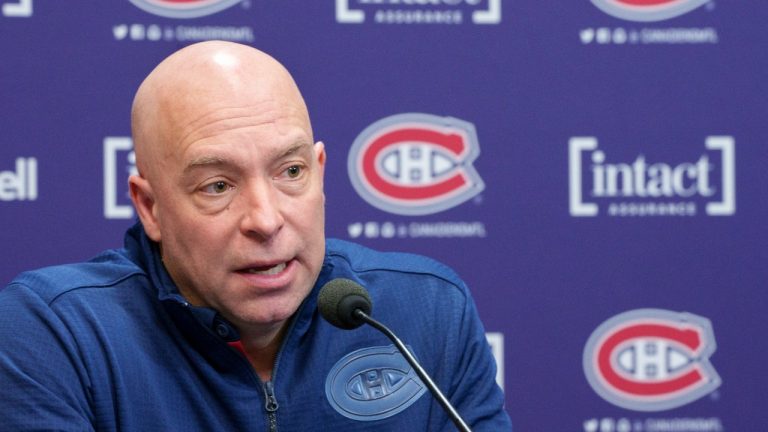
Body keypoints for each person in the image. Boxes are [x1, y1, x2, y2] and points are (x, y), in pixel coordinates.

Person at [0, 41, 511, 431]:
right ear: (150, 207)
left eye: (289, 172)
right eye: (217, 185)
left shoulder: (428, 312)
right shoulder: (56, 336)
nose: (265, 220)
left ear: (320, 173)